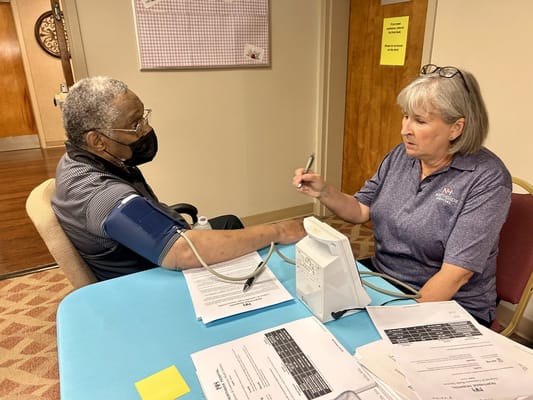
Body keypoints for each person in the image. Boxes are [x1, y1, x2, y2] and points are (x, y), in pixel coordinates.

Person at [293, 64, 512, 327]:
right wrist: (324, 192)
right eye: (406, 116)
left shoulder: (486, 178)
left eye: (419, 121)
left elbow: (455, 276)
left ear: (456, 128)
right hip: (385, 282)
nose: (405, 129)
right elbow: (361, 209)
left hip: (451, 305)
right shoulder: (401, 155)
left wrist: (398, 326)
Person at [52, 76, 305, 281]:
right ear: (97, 140)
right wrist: (278, 230)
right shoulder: (100, 195)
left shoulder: (78, 159)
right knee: (263, 244)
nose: (146, 129)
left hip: (142, 250)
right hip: (149, 277)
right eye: (135, 125)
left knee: (229, 222)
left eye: (143, 117)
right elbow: (183, 250)